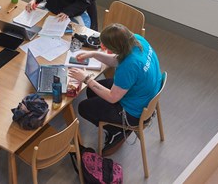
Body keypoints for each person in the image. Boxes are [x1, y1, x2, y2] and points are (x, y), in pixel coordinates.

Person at [68, 23, 163, 156]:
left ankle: (116, 130)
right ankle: (114, 124)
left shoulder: (129, 66)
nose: (104, 49)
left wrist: (86, 79)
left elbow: (113, 98)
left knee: (83, 107)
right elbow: (117, 60)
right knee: (91, 91)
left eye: (106, 48)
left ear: (116, 47)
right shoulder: (136, 40)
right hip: (142, 93)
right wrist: (93, 54)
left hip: (134, 112)